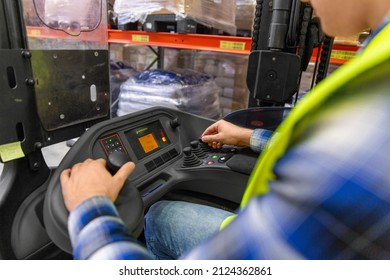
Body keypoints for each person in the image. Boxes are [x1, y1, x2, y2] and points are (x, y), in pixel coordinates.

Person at [61, 0, 390, 259]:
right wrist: (249, 137)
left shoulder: (369, 111)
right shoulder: (376, 65)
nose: (302, 1)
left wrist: (91, 209)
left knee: (157, 218)